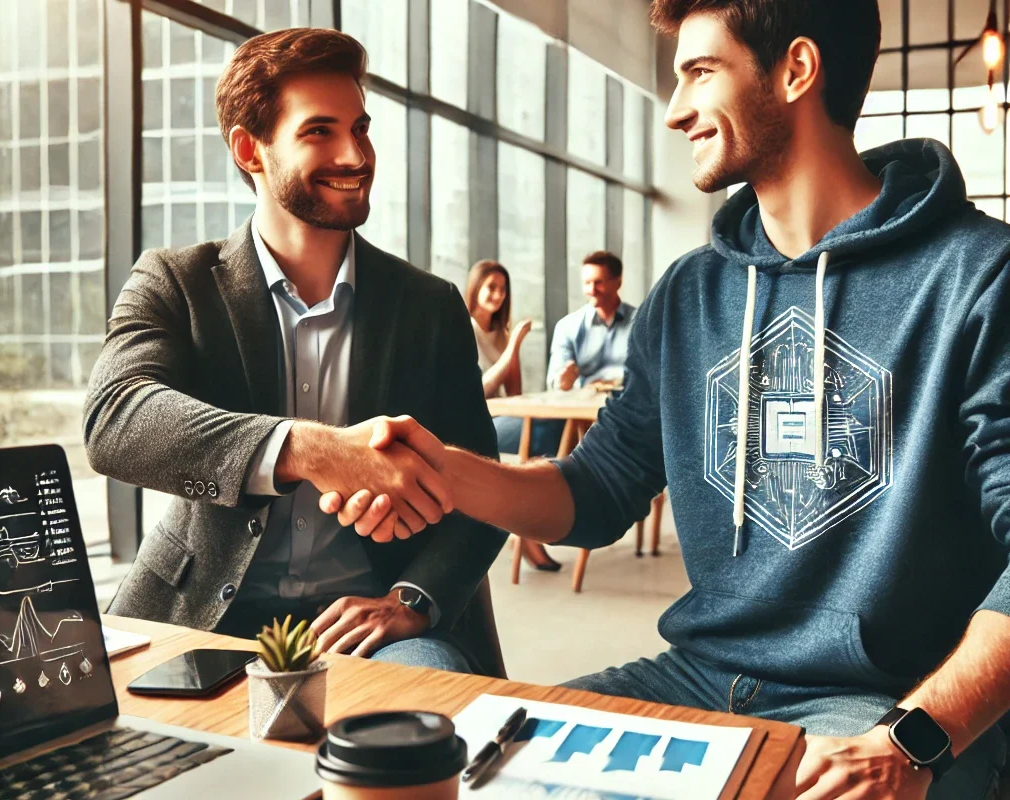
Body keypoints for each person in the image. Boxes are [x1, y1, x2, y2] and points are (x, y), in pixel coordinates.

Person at [326, 0, 1010, 796]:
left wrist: (917, 735)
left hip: (878, 705)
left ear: (796, 69)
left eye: (700, 72)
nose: (676, 109)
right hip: (695, 676)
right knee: (476, 772)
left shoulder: (980, 279)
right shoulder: (691, 291)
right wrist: (446, 472)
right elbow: (598, 489)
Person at [82, 28, 507, 677]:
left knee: (425, 749)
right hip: (199, 610)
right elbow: (117, 420)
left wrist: (411, 601)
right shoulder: (174, 280)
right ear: (250, 149)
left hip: (377, 623)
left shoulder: (428, 305)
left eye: (360, 128)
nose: (355, 153)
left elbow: (481, 483)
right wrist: (310, 451)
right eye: (319, 132)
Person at [465, 259, 562, 572]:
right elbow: (479, 392)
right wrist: (514, 346)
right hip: (473, 422)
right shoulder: (464, 328)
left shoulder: (501, 334)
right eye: (491, 287)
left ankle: (526, 523)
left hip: (500, 417)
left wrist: (511, 345)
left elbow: (515, 395)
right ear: (476, 288)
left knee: (551, 430)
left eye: (503, 289)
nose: (498, 295)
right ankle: (527, 532)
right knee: (541, 436)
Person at [547, 251, 636, 391]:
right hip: (581, 408)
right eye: (587, 283)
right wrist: (563, 382)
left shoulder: (642, 323)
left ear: (617, 283)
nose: (591, 290)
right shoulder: (567, 327)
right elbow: (556, 381)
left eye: (598, 283)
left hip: (630, 406)